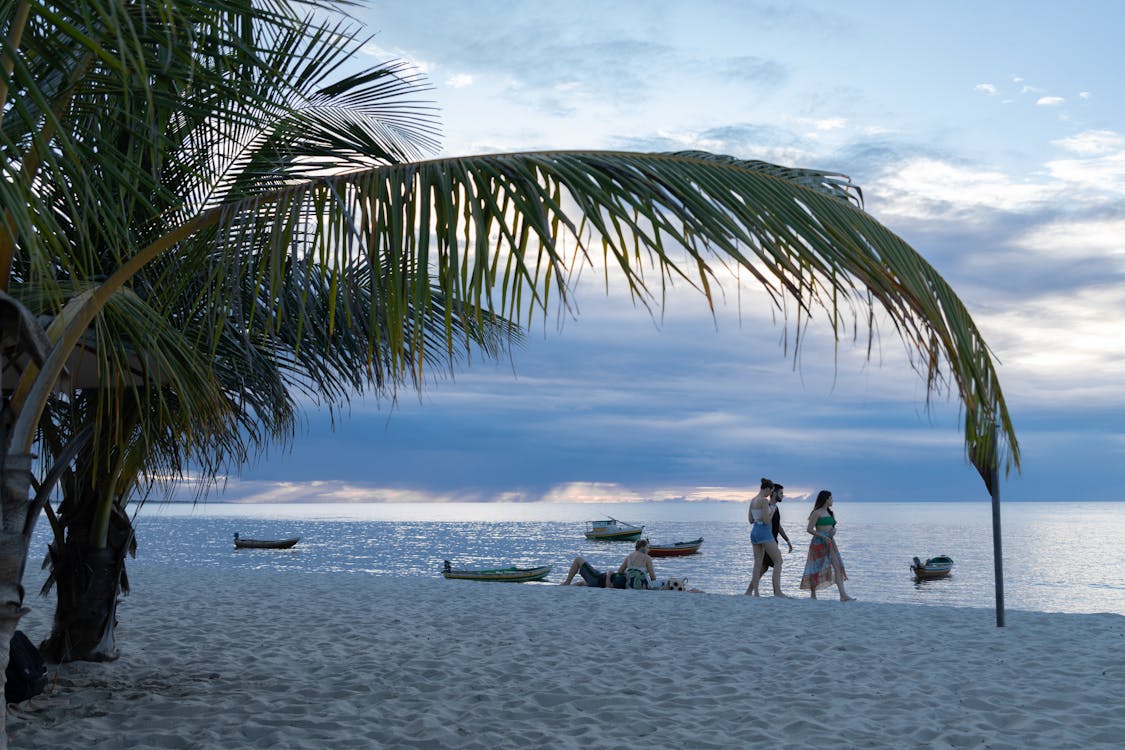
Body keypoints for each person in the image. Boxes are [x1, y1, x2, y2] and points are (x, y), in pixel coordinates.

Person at [799, 489, 855, 601]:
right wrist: (823, 536)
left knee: (838, 567)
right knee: (815, 568)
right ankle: (813, 595)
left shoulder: (830, 513)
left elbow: (832, 527)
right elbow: (809, 529)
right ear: (826, 499)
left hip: (830, 542)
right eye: (831, 498)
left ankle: (843, 595)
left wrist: (834, 530)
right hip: (819, 543)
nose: (832, 500)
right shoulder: (816, 513)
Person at [746, 477, 788, 597]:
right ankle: (778, 592)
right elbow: (766, 521)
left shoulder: (753, 500)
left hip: (754, 532)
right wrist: (772, 511)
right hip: (764, 533)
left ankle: (756, 593)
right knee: (778, 560)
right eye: (771, 491)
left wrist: (759, 517)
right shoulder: (764, 501)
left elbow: (751, 520)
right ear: (767, 489)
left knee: (757, 564)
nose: (770, 494)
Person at [559, 538, 656, 589]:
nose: (649, 550)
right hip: (600, 579)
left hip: (599, 579)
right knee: (578, 560)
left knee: (584, 577)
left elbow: (619, 571)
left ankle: (567, 583)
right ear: (643, 547)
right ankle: (567, 583)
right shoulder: (647, 558)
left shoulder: (629, 556)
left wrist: (627, 572)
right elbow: (653, 577)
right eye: (648, 547)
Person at [760, 483, 792, 575]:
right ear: (774, 493)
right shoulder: (768, 507)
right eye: (781, 493)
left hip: (772, 541)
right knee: (778, 562)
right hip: (768, 542)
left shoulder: (775, 508)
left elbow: (778, 526)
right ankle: (776, 585)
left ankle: (752, 584)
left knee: (764, 567)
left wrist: (787, 540)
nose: (782, 496)